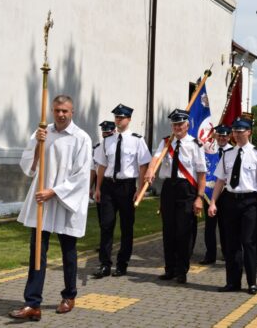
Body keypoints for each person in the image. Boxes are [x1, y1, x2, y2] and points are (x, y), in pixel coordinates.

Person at [9, 95, 92, 321]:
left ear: (72, 112)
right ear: (52, 111)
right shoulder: (42, 134)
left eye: (65, 110)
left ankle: (69, 295)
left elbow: (82, 175)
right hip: (42, 202)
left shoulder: (81, 138)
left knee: (69, 252)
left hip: (64, 200)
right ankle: (32, 303)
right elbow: (29, 166)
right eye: (57, 110)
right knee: (37, 251)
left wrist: (54, 191)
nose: (61, 114)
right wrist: (37, 144)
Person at [208, 117, 257, 294]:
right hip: (230, 201)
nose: (237, 134)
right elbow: (220, 181)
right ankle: (233, 282)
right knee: (231, 244)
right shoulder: (227, 155)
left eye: (240, 131)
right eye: (235, 131)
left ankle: (252, 282)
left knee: (249, 242)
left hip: (250, 202)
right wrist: (213, 202)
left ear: (249, 132)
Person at [145, 109, 207, 284]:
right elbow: (156, 159)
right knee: (169, 230)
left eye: (180, 124)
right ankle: (169, 269)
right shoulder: (166, 143)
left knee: (184, 232)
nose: (178, 127)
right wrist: (150, 170)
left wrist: (199, 198)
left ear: (187, 125)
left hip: (187, 190)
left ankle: (182, 270)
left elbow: (202, 175)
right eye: (175, 124)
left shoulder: (196, 145)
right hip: (169, 189)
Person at [93, 104, 152, 278]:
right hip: (108, 187)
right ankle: (105, 264)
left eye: (122, 117)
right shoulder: (108, 140)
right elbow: (102, 166)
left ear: (129, 119)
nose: (119, 120)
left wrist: (139, 189)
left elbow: (143, 166)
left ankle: (122, 264)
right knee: (106, 225)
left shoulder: (137, 140)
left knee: (126, 227)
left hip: (127, 187)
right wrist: (97, 188)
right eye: (116, 117)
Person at [199, 124, 233, 265]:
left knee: (226, 226)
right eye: (219, 135)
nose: (222, 138)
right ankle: (210, 255)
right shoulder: (208, 150)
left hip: (226, 193)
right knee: (209, 227)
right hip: (210, 193)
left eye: (225, 135)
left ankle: (227, 253)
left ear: (229, 136)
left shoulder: (233, 151)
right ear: (215, 135)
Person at [90, 121, 116, 251]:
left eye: (108, 132)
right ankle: (104, 245)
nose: (106, 134)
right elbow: (93, 169)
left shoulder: (117, 146)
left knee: (112, 219)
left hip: (114, 182)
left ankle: (109, 245)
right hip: (101, 184)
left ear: (114, 131)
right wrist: (91, 187)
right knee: (103, 218)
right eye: (104, 132)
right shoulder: (97, 148)